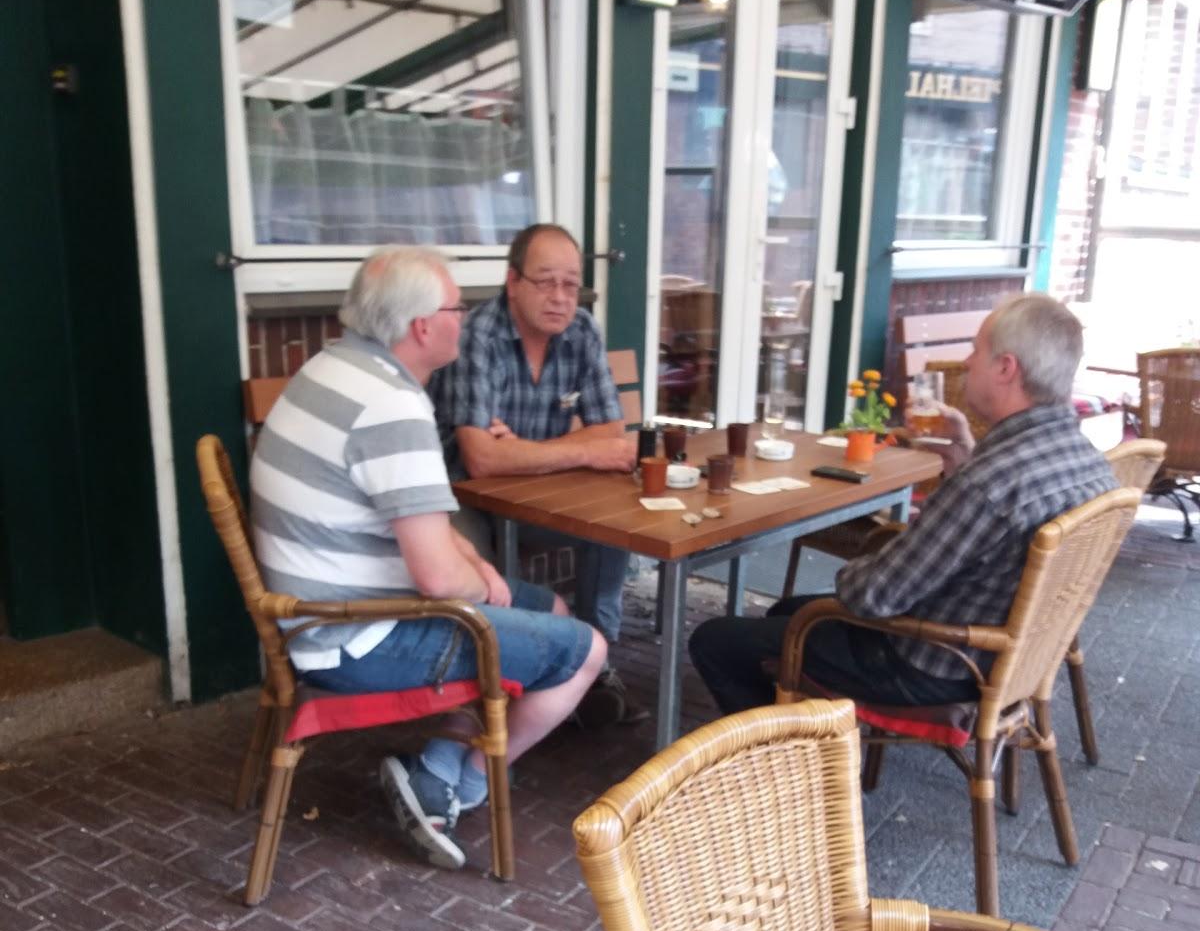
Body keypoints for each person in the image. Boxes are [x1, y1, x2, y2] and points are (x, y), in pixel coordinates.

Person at [250, 246, 606, 871]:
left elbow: (427, 525)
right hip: (353, 639)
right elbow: (440, 578)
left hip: (317, 613)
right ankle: (459, 782)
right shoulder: (391, 406)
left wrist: (483, 572)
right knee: (587, 651)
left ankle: (441, 763)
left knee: (547, 606)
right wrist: (480, 584)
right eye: (456, 308)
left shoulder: (333, 367)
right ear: (422, 326)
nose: (464, 318)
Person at [689, 292, 1117, 715]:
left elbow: (872, 596)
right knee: (788, 611)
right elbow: (1000, 515)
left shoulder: (989, 484)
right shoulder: (1088, 462)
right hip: (1010, 654)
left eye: (976, 350)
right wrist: (963, 455)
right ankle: (806, 724)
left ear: (1006, 368)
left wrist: (859, 565)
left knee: (716, 640)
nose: (967, 362)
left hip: (932, 662)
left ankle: (792, 752)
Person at [428, 223, 644, 727]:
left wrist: (524, 449)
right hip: (461, 496)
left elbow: (612, 433)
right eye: (545, 281)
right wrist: (579, 447)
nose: (560, 297)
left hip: (539, 491)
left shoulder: (582, 330)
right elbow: (481, 461)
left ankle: (594, 666)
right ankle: (498, 692)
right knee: (477, 576)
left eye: (570, 284)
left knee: (613, 523)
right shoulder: (477, 336)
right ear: (513, 282)